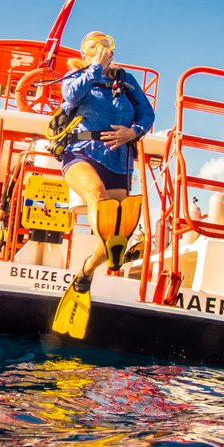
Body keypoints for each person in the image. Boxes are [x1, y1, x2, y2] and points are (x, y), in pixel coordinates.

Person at [51, 31, 155, 334]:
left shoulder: (126, 81)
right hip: (81, 153)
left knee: (117, 230)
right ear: (85, 54)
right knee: (96, 193)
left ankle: (85, 272)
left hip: (118, 161)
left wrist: (133, 132)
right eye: (93, 47)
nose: (101, 49)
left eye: (105, 45)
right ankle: (115, 251)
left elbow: (147, 114)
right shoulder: (77, 75)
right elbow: (71, 97)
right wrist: (95, 68)